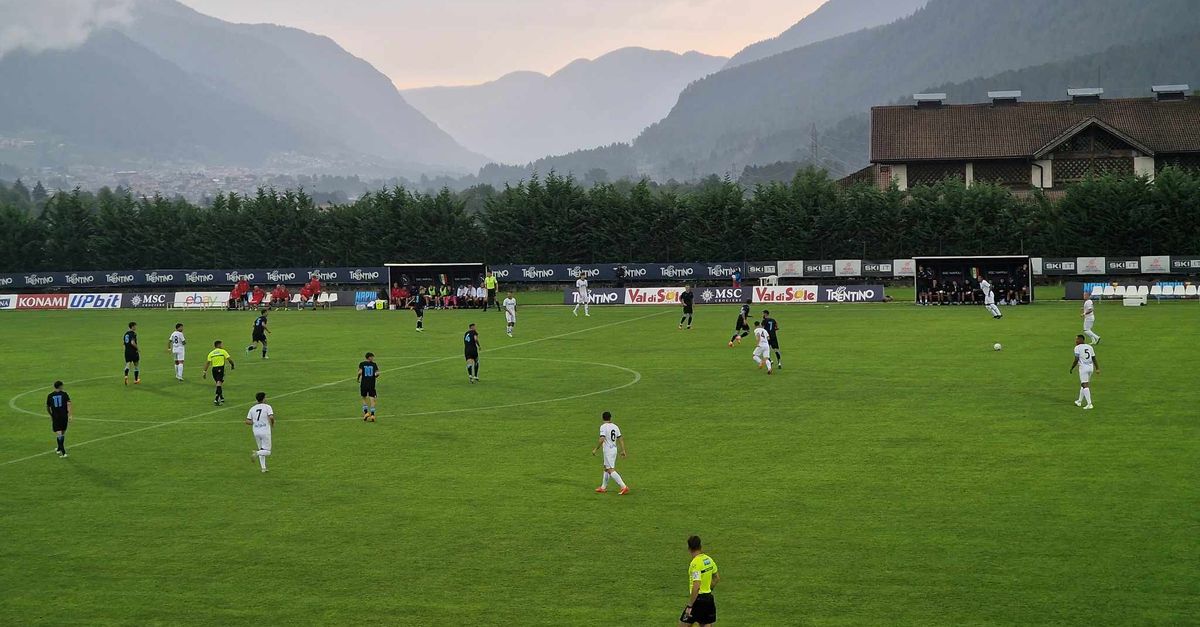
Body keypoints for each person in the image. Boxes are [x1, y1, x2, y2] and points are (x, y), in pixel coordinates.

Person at [679, 536, 719, 627]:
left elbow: (696, 586)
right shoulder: (708, 560)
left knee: (683, 625)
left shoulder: (695, 564)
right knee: (706, 624)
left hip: (698, 601)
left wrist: (690, 606)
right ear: (700, 546)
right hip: (708, 599)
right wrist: (708, 589)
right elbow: (716, 578)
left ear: (689, 548)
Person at [591, 411, 628, 494]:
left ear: (602, 418)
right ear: (610, 418)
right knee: (606, 468)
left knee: (610, 469)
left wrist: (596, 449)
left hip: (608, 451)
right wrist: (623, 450)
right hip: (614, 449)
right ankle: (603, 487)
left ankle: (623, 486)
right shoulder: (615, 426)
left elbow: (602, 439)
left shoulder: (603, 427)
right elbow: (620, 438)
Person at [245, 391, 274, 473]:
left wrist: (255, 422)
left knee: (261, 449)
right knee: (267, 451)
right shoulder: (267, 407)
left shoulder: (252, 408)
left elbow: (247, 421)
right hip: (265, 431)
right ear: (264, 399)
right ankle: (256, 453)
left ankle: (263, 468)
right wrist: (272, 424)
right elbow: (271, 417)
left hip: (256, 431)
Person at [1069, 334, 1098, 410]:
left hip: (1083, 368)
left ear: (1081, 340)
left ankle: (1089, 404)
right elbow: (1094, 358)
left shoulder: (1077, 348)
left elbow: (1076, 359)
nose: (1076, 341)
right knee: (1084, 384)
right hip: (1090, 367)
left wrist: (1072, 367)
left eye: (1077, 339)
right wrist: (1097, 368)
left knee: (1084, 385)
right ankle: (1079, 401)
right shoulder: (1089, 347)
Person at [203, 340, 235, 406]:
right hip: (220, 369)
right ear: (218, 345)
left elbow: (208, 363)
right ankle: (216, 399)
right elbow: (229, 359)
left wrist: (204, 372)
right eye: (221, 344)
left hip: (214, 369)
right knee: (219, 383)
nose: (222, 346)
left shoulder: (211, 353)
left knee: (218, 383)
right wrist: (232, 365)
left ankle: (222, 397)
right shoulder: (223, 351)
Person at [46, 380, 72, 458]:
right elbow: (69, 404)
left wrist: (51, 415)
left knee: (59, 433)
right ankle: (59, 449)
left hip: (56, 416)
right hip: (64, 416)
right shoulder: (64, 394)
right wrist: (70, 415)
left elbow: (47, 407)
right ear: (60, 386)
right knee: (62, 433)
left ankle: (63, 452)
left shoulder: (50, 395)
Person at [357, 352, 380, 422]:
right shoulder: (374, 364)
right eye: (372, 357)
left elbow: (360, 372)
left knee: (364, 398)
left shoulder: (362, 364)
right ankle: (372, 415)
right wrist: (375, 375)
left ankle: (366, 413)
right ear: (369, 357)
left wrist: (358, 378)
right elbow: (377, 374)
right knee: (372, 399)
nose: (373, 358)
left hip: (364, 384)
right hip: (371, 384)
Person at [123, 321, 140, 385]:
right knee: (136, 365)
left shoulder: (126, 334)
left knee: (127, 364)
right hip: (133, 351)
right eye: (135, 326)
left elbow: (124, 343)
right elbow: (132, 342)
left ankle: (126, 376)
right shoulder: (133, 333)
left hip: (127, 351)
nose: (136, 327)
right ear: (132, 326)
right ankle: (136, 380)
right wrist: (137, 348)